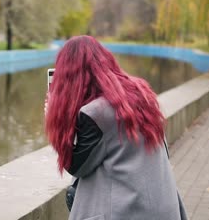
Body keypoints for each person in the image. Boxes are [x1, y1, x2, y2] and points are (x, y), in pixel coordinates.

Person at [44, 36, 187, 220]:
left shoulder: (96, 114)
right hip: (165, 208)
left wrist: (52, 118)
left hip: (132, 213)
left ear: (69, 77)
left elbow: (75, 166)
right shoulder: (141, 94)